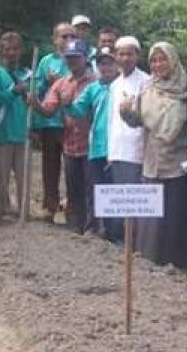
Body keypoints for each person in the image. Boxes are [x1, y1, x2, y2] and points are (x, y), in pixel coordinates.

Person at [119, 42, 187, 269]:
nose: (158, 64)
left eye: (163, 59)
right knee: (151, 218)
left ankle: (181, 262)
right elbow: (138, 121)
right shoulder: (147, 90)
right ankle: (151, 260)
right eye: (154, 60)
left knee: (176, 213)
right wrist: (125, 111)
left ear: (173, 60)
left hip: (179, 162)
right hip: (152, 161)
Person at [30, 38, 95, 233]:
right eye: (69, 58)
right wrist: (34, 102)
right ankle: (76, 224)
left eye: (76, 57)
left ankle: (92, 226)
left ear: (85, 58)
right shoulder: (60, 84)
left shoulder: (95, 83)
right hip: (70, 143)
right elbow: (48, 110)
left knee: (90, 187)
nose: (72, 61)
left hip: (91, 145)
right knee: (73, 187)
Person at [66, 46, 118, 237]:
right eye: (101, 63)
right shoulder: (93, 88)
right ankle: (95, 227)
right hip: (97, 146)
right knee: (96, 189)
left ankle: (114, 232)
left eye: (109, 63)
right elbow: (78, 110)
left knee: (117, 191)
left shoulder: (123, 85)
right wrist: (68, 104)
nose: (105, 67)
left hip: (119, 148)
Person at [105, 35, 151, 243]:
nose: (125, 58)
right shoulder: (115, 84)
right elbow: (111, 120)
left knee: (135, 198)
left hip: (136, 149)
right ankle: (121, 240)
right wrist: (109, 151)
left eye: (129, 53)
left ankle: (135, 241)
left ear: (137, 56)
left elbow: (147, 118)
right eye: (121, 54)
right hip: (117, 149)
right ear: (115, 56)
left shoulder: (147, 81)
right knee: (120, 196)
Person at [31, 22, 74, 222]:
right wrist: (45, 84)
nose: (67, 41)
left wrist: (61, 83)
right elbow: (37, 89)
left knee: (72, 167)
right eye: (63, 36)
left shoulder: (78, 60)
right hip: (49, 122)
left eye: (71, 36)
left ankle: (72, 206)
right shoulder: (46, 61)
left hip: (71, 124)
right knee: (49, 166)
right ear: (54, 39)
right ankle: (50, 205)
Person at [0, 32, 31, 215]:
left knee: (23, 175)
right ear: (1, 51)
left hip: (22, 132)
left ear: (21, 50)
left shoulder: (28, 74)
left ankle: (24, 210)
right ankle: (3, 208)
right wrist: (13, 92)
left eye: (15, 49)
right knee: (2, 176)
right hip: (2, 132)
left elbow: (34, 102)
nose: (12, 53)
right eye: (7, 49)